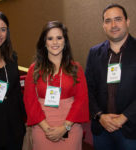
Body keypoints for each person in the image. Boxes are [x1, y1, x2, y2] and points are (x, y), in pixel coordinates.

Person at [24, 21, 89, 150]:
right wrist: (46, 128)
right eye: (50, 38)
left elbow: (81, 100)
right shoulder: (34, 69)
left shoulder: (76, 68)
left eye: (59, 38)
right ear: (44, 42)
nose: (55, 42)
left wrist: (65, 127)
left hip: (71, 129)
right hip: (42, 129)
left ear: (65, 42)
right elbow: (29, 100)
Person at [85, 3, 136, 150]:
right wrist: (100, 116)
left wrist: (123, 117)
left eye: (118, 19)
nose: (113, 25)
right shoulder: (94, 52)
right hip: (102, 130)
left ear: (127, 22)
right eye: (108, 21)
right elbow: (88, 88)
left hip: (131, 130)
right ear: (103, 26)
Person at [0, 10, 26, 150]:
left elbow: (16, 93)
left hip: (14, 130)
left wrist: (22, 124)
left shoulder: (12, 57)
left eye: (3, 29)